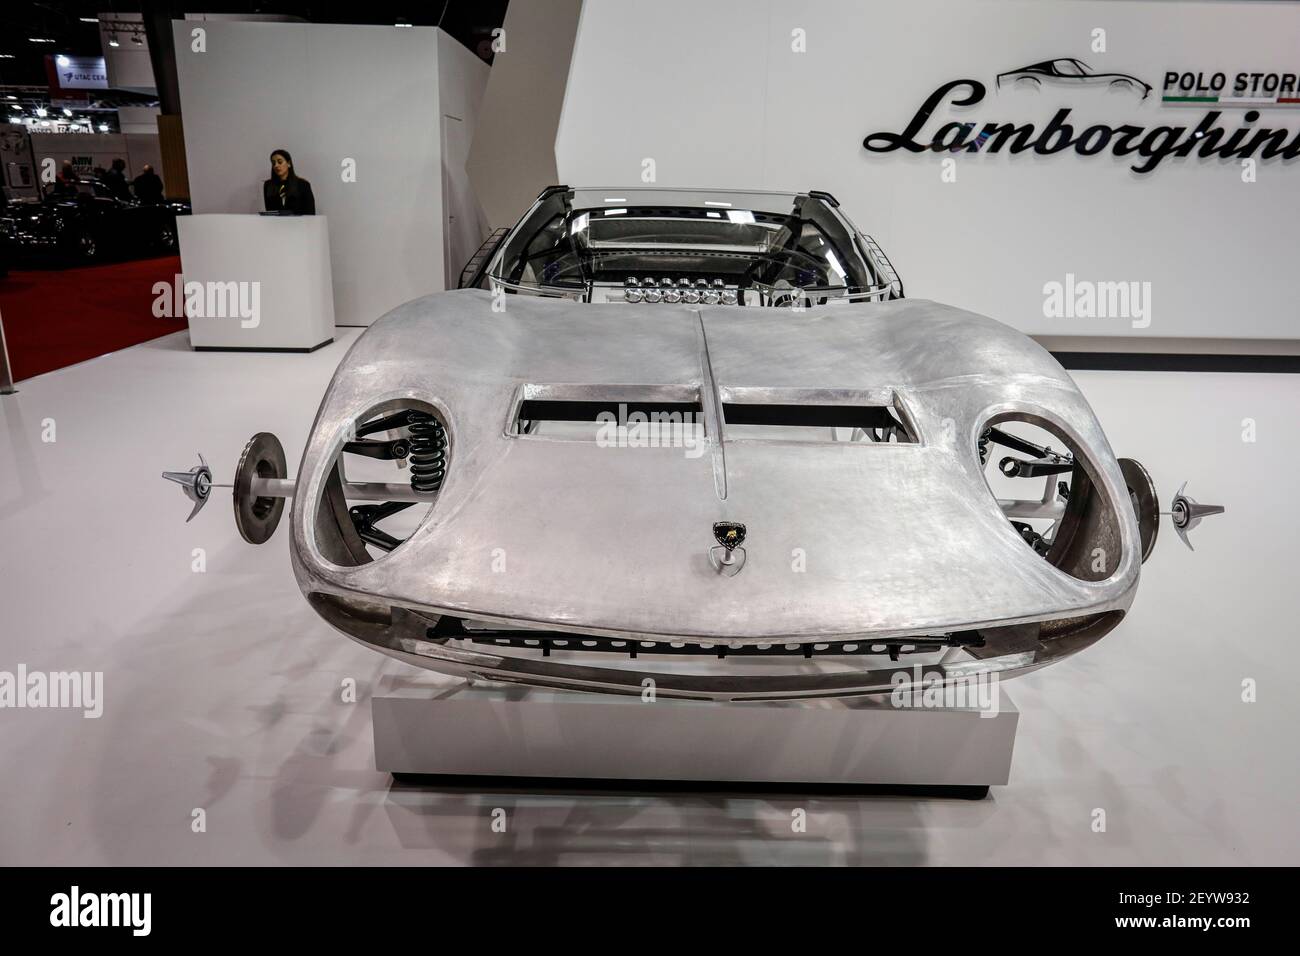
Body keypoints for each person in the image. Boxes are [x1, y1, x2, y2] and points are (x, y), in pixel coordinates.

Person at [262, 148, 315, 215]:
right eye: (273, 163)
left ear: (289, 164)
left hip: (299, 224)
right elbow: (269, 212)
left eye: (280, 162)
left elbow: (310, 213)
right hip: (276, 224)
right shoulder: (268, 185)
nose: (276, 165)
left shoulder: (303, 184)